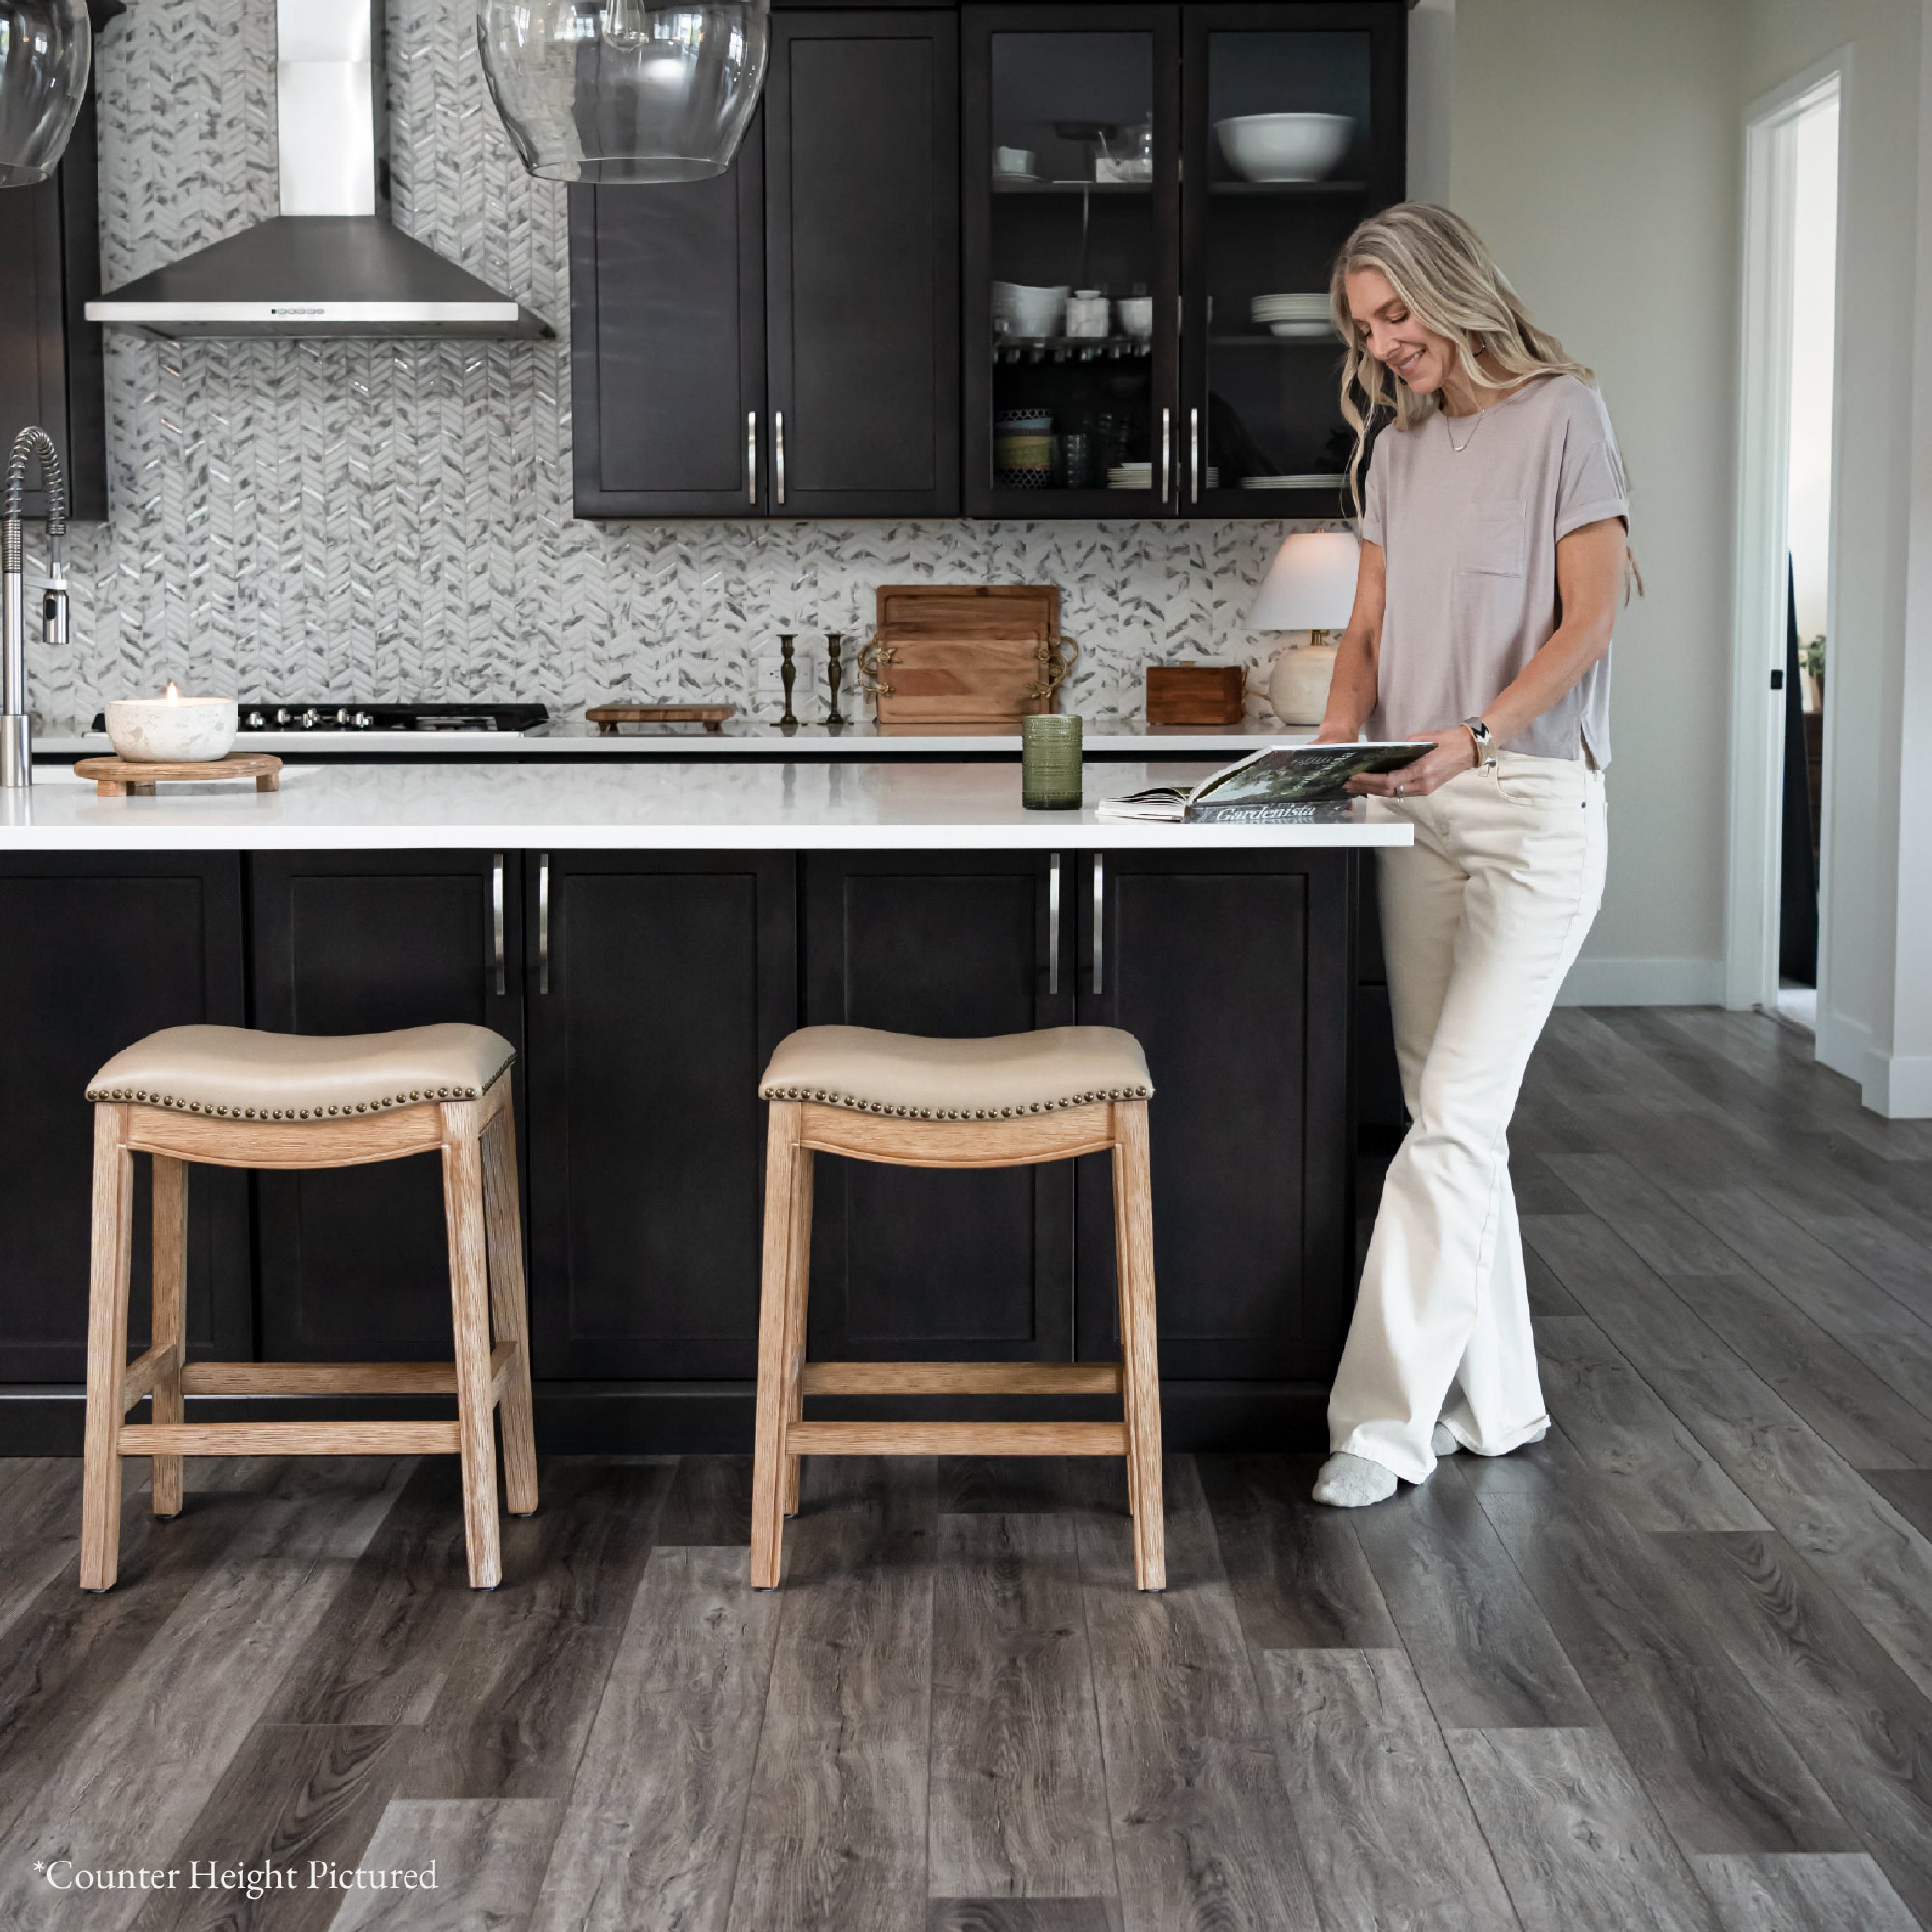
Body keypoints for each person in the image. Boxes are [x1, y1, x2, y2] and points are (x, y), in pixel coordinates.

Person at [1307, 202, 1634, 1508]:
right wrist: (1329, 752)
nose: (1384, 346)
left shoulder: (1563, 415)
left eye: (1395, 316)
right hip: (1412, 807)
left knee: (1449, 1117)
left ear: (1452, 291)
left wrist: (1477, 735)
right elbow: (1367, 625)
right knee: (1451, 1116)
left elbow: (1591, 616)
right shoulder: (1395, 450)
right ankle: (1494, 1403)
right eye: (1363, 329)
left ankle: (1381, 1425)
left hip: (1529, 804)